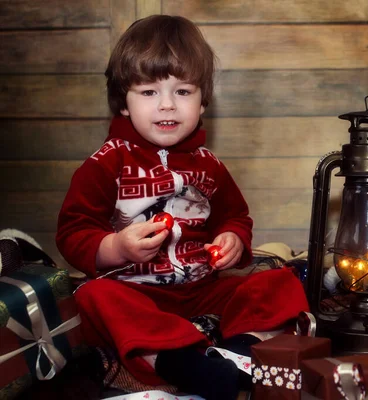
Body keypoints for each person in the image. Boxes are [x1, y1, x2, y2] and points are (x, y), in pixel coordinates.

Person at [56, 14, 309, 400]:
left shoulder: (209, 165)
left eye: (183, 92)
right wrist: (117, 247)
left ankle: (240, 350)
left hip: (199, 290)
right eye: (149, 92)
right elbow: (74, 231)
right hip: (133, 292)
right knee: (92, 299)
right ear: (123, 102)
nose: (167, 106)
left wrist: (233, 239)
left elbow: (236, 215)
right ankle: (177, 361)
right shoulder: (106, 163)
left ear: (203, 101)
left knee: (279, 281)